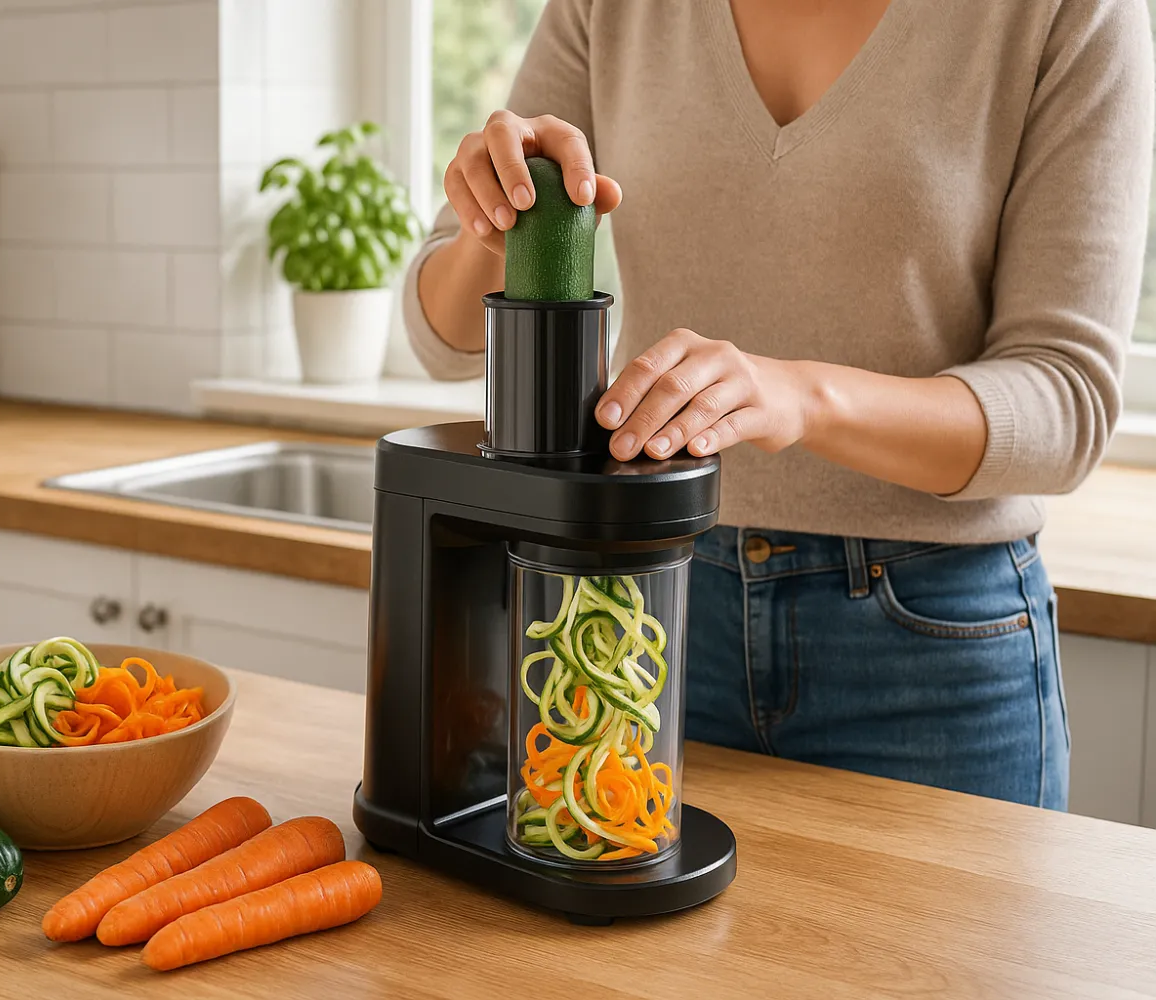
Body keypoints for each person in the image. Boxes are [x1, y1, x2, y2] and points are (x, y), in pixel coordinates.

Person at [404, 0, 1155, 808]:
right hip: (646, 616)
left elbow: (1065, 401)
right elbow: (442, 336)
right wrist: (493, 228)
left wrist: (799, 396)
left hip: (932, 652)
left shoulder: (1068, 13)